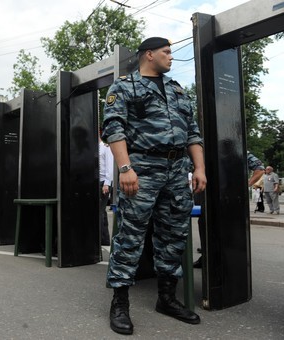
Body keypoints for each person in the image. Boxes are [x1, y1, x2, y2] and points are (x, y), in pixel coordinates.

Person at [101, 37, 207, 335]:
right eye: (167, 52)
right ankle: (120, 302)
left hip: (176, 171)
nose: (172, 57)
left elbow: (192, 133)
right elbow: (113, 127)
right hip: (142, 169)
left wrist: (198, 167)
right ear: (149, 55)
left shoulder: (176, 90)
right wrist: (125, 168)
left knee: (173, 234)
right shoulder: (124, 86)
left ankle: (166, 297)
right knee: (130, 235)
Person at [194, 151, 264, 268]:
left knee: (217, 227)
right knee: (207, 226)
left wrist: (246, 184)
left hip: (223, 197)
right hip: (210, 196)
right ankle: (208, 257)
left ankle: (218, 260)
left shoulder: (239, 153)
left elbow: (260, 169)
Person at [99, 136, 114, 246]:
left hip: (103, 183)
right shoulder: (94, 148)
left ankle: (98, 239)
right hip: (97, 182)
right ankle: (104, 239)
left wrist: (107, 184)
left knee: (98, 212)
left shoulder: (105, 147)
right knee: (102, 211)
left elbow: (110, 167)